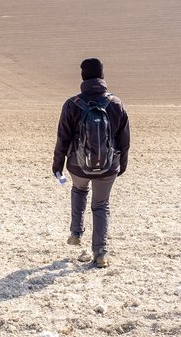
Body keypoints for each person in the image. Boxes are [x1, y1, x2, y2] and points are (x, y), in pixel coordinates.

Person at [52, 58, 130, 268]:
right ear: (102, 76)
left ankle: (76, 232)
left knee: (79, 190)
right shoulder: (115, 103)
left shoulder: (72, 104)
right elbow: (124, 139)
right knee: (101, 205)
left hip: (78, 166)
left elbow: (63, 138)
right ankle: (101, 253)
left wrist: (57, 165)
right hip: (108, 166)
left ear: (83, 77)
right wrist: (122, 163)